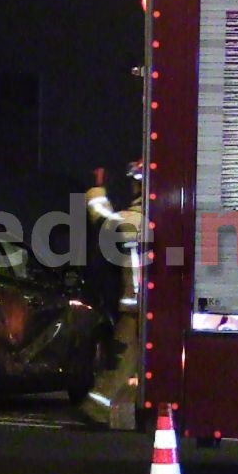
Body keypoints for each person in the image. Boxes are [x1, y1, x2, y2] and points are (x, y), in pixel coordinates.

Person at [78, 160, 145, 429]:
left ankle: (97, 411)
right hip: (150, 308)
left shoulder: (133, 219)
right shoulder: (154, 217)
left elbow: (101, 216)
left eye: (134, 182)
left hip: (136, 308)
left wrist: (96, 188)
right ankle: (101, 411)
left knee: (122, 359)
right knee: (129, 362)